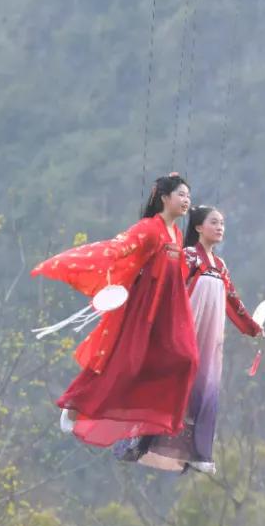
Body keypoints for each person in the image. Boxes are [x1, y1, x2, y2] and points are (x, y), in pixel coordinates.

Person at [30, 174, 199, 448]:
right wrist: (106, 265)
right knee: (124, 365)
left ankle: (151, 414)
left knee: (186, 358)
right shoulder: (149, 228)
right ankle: (75, 404)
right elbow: (121, 248)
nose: (186, 200)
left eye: (188, 195)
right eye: (181, 194)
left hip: (168, 312)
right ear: (165, 198)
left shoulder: (177, 234)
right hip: (144, 309)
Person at [114, 204, 264, 473]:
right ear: (198, 227)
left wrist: (251, 326)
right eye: (214, 223)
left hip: (209, 338)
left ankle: (198, 452)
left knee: (206, 389)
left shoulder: (219, 265)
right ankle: (141, 440)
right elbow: (168, 284)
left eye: (222, 224)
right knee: (173, 386)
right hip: (185, 330)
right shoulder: (189, 257)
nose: (220, 228)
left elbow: (231, 300)